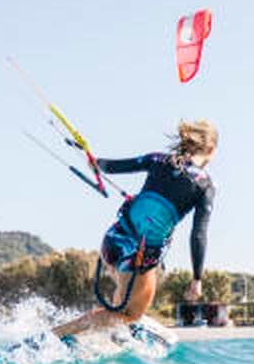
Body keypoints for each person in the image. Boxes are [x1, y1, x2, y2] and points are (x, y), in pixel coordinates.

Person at [52, 120, 218, 339]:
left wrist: (91, 158)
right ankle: (54, 335)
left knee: (121, 302)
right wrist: (197, 278)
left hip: (113, 241)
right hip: (140, 256)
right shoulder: (204, 185)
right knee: (130, 314)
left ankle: (106, 342)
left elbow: (106, 166)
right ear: (211, 150)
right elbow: (198, 234)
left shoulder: (158, 159)